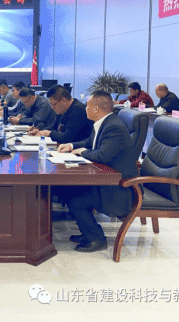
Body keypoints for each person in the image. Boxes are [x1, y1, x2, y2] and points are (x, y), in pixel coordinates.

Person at [57, 90, 139, 253]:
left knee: (76, 199)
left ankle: (96, 238)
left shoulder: (114, 127)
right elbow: (90, 142)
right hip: (109, 179)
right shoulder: (104, 122)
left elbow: (102, 155)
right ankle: (88, 233)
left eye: (87, 106)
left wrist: (82, 152)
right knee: (69, 190)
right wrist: (71, 146)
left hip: (120, 187)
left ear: (95, 109)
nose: (85, 109)